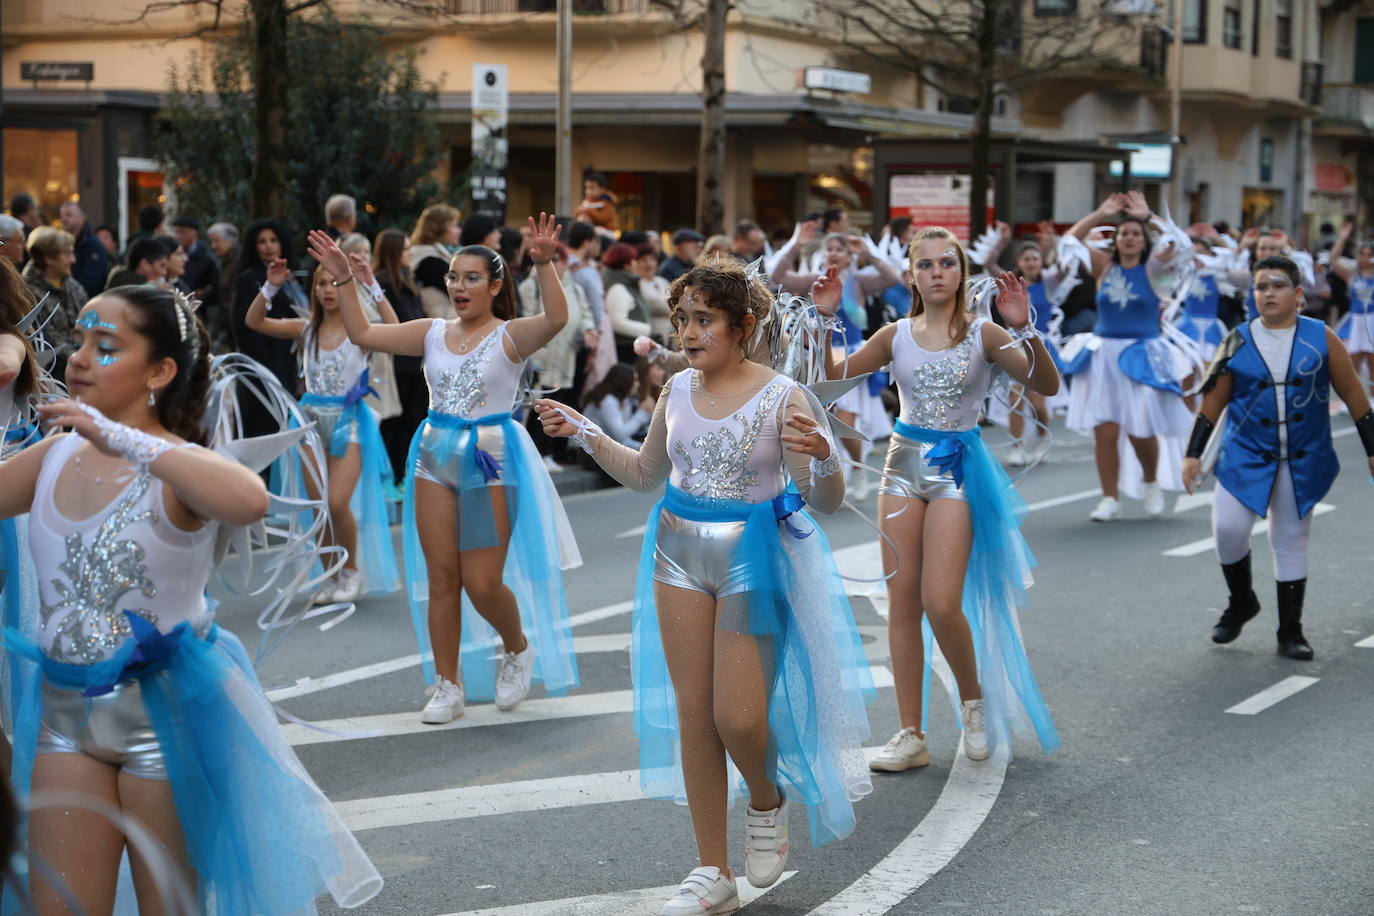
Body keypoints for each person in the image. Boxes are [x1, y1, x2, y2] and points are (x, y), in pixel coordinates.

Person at [0, 285, 381, 914]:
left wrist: (133, 441)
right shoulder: (57, 452)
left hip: (166, 718)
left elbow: (248, 499)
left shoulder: (181, 467)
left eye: (107, 347)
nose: (80, 358)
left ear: (160, 371)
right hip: (64, 715)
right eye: (80, 342)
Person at [535, 257, 874, 916]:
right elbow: (643, 474)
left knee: (739, 717)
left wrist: (828, 457)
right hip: (678, 552)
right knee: (695, 714)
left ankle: (766, 797)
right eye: (682, 319)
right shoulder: (677, 391)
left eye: (704, 320)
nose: (689, 333)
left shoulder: (784, 397)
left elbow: (825, 501)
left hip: (755, 556)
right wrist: (584, 433)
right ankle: (711, 868)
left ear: (743, 326)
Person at [816, 227, 1061, 773]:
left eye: (946, 263)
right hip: (902, 466)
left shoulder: (987, 334)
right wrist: (825, 320)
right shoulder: (893, 335)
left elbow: (1047, 385)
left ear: (961, 272)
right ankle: (911, 733)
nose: (935, 272)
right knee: (901, 603)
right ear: (910, 276)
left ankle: (972, 706)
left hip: (958, 472)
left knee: (940, 601)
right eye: (924, 264)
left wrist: (1025, 329)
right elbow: (827, 382)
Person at [317, 214, 582, 720]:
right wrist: (346, 278)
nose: (459, 287)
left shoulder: (510, 336)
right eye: (453, 278)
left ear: (495, 285)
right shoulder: (433, 332)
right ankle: (447, 685)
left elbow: (555, 320)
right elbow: (364, 333)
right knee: (441, 578)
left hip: (489, 457)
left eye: (472, 278)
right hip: (434, 453)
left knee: (482, 582)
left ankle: (517, 646)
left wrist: (544, 263)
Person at [1182, 255, 1374, 660]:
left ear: (1298, 295)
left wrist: (1372, 450)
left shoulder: (1322, 338)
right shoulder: (1236, 338)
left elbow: (1356, 398)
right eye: (1260, 287)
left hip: (1302, 458)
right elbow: (1213, 401)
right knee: (1229, 532)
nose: (1267, 293)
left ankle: (1291, 631)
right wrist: (1192, 454)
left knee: (1290, 539)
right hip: (1245, 455)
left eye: (1277, 285)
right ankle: (1241, 602)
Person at [245, 257, 401, 604]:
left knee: (337, 501)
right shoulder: (306, 329)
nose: (328, 290)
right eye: (321, 284)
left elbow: (394, 327)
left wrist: (370, 284)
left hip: (350, 421)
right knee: (318, 506)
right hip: (311, 420)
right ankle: (330, 575)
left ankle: (351, 572)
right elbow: (253, 321)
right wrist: (271, 285)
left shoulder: (361, 331)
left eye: (333, 283)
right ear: (313, 290)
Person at [1064, 192, 1193, 522]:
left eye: (1136, 233)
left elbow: (1182, 245)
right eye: (1124, 233)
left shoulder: (1155, 270)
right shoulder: (1103, 267)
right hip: (1104, 357)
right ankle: (1110, 498)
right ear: (1117, 240)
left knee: (1141, 429)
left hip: (1141, 356)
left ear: (1144, 240)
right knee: (1104, 431)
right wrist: (1100, 213)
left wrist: (1149, 215)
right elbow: (1069, 241)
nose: (1130, 238)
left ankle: (1151, 482)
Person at [770, 229, 901, 497]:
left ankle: (860, 468)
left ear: (848, 255)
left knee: (844, 417)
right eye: (829, 248)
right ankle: (829, 475)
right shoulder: (813, 280)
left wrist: (868, 254)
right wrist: (795, 245)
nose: (833, 253)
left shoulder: (859, 282)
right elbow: (777, 276)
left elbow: (892, 277)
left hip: (852, 356)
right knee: (822, 420)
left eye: (839, 249)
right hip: (819, 356)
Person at [519, 242, 594, 472]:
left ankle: (549, 452)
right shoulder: (531, 285)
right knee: (538, 406)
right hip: (542, 354)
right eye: (558, 260)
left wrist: (589, 330)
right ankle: (536, 453)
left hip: (566, 354)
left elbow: (585, 313)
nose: (563, 265)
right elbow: (527, 318)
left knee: (559, 403)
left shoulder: (574, 287)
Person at [232, 220, 308, 435]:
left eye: (273, 240)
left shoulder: (292, 279)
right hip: (263, 368)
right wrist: (266, 362)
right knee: (263, 426)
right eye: (262, 241)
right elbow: (243, 326)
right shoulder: (249, 279)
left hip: (290, 363)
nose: (269, 246)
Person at [373, 228, 430, 481]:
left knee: (411, 420)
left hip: (415, 361)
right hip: (398, 363)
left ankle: (402, 472)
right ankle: (393, 474)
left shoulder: (406, 279)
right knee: (395, 423)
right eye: (406, 249)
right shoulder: (385, 282)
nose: (410, 253)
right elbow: (396, 323)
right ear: (394, 252)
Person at [22, 226, 88, 378]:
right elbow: (47, 342)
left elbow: (92, 320)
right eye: (67, 254)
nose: (73, 260)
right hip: (55, 374)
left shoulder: (72, 285)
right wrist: (81, 357)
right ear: (49, 258)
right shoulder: (28, 293)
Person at [1330, 222, 1374, 396]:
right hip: (1355, 320)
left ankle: (1372, 399)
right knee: (1351, 364)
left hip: (1372, 320)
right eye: (1362, 254)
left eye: (1369, 254)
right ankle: (1351, 400)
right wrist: (1342, 238)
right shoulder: (1352, 273)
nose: (1365, 258)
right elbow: (1333, 260)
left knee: (1372, 363)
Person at [409, 203, 462, 321]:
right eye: (454, 226)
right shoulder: (430, 261)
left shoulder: (429, 254)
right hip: (442, 321)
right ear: (440, 228)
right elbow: (459, 291)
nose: (458, 231)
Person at [603, 242, 654, 362]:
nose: (636, 263)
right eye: (634, 260)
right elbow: (617, 322)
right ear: (626, 264)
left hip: (630, 345)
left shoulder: (625, 283)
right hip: (626, 348)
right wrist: (647, 330)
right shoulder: (618, 288)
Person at [580, 363, 651, 447]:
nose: (638, 384)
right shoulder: (608, 401)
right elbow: (620, 434)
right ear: (624, 381)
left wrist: (644, 449)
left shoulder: (624, 400)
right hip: (586, 451)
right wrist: (642, 412)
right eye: (635, 380)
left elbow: (623, 440)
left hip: (600, 448)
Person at [58, 201, 110, 300]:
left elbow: (90, 285)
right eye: (62, 215)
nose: (63, 219)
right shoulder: (61, 243)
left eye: (68, 215)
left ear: (82, 218)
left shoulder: (94, 247)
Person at [171, 218, 218, 305]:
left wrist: (199, 298)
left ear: (194, 234)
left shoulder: (206, 257)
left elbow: (216, 288)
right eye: (177, 232)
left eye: (183, 232)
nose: (178, 236)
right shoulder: (171, 253)